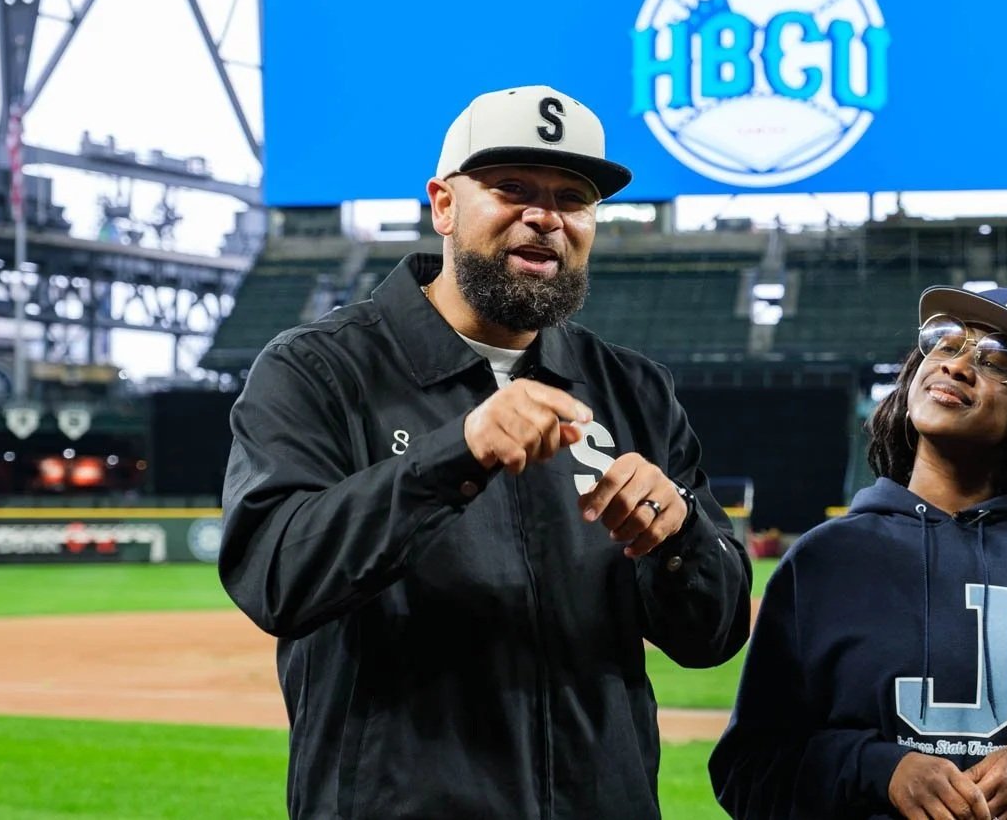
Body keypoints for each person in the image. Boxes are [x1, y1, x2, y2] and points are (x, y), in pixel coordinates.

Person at [220, 84, 753, 819]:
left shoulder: (633, 390)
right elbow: (276, 574)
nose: (545, 217)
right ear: (444, 205)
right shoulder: (322, 368)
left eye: (574, 197)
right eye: (511, 188)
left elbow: (713, 637)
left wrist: (680, 537)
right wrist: (455, 456)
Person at [709, 285, 1007, 820]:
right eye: (944, 342)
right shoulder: (823, 560)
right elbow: (748, 769)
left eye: (997, 360)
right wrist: (880, 772)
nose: (958, 365)